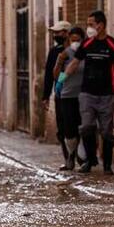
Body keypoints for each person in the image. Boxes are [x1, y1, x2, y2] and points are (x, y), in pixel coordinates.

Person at [62, 11, 114, 174]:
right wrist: (62, 79)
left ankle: (107, 166)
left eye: (91, 24)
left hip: (107, 95)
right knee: (86, 128)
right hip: (87, 94)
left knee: (106, 132)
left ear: (101, 25)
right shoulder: (86, 44)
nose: (89, 28)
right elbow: (75, 63)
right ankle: (90, 161)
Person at [53, 26, 87, 171]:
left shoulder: (86, 53)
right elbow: (55, 74)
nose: (75, 43)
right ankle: (70, 156)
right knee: (69, 130)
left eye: (78, 40)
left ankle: (82, 159)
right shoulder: (65, 54)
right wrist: (60, 62)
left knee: (83, 128)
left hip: (84, 95)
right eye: (73, 40)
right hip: (67, 96)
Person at [41, 21, 71, 162]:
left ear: (66, 33)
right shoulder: (54, 52)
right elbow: (48, 75)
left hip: (75, 94)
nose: (55, 35)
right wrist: (46, 96)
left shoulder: (76, 51)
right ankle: (68, 158)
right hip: (59, 94)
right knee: (62, 126)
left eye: (58, 32)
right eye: (54, 32)